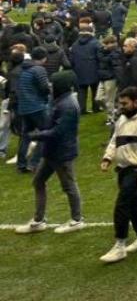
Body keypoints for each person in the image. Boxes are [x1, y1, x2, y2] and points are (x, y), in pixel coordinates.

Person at [15, 73, 85, 235]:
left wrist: (35, 136)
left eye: (52, 84)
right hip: (52, 151)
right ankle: (39, 220)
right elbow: (49, 123)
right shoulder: (59, 100)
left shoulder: (67, 105)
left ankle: (77, 219)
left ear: (60, 85)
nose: (50, 87)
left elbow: (58, 132)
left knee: (69, 185)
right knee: (38, 181)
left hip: (62, 152)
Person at [99, 86, 137, 264]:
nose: (121, 106)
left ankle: (120, 245)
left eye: (125, 103)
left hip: (136, 170)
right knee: (134, 205)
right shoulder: (123, 119)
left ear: (136, 102)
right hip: (123, 168)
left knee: (122, 205)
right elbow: (115, 139)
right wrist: (108, 157)